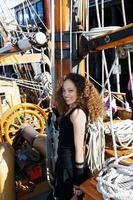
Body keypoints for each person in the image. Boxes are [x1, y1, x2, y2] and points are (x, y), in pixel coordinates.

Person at [50, 73, 104, 200]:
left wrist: (79, 182)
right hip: (63, 162)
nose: (65, 94)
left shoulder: (78, 114)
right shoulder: (70, 109)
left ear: (79, 91)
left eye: (70, 91)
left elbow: (79, 150)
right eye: (64, 90)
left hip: (70, 167)